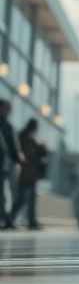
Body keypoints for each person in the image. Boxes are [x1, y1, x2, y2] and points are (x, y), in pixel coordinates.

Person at [8, 119, 46, 229]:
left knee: (30, 198)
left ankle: (32, 221)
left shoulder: (28, 138)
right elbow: (28, 153)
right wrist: (39, 149)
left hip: (30, 174)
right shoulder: (25, 138)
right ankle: (11, 218)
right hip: (26, 174)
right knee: (22, 198)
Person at [0, 99, 23, 230]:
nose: (10, 111)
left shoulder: (7, 124)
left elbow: (12, 144)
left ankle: (7, 218)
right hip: (3, 162)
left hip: (8, 163)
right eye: (7, 108)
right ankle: (5, 218)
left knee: (9, 192)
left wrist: (18, 157)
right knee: (2, 193)